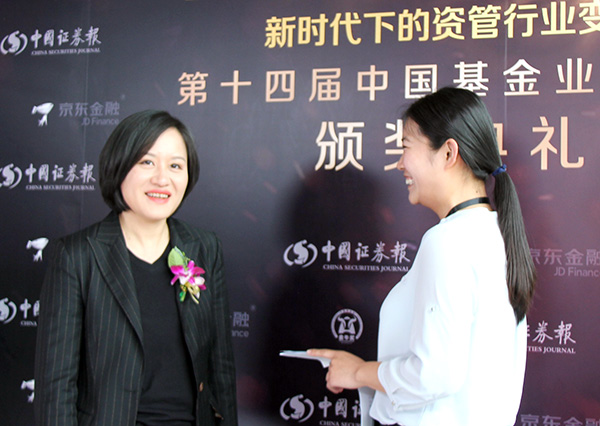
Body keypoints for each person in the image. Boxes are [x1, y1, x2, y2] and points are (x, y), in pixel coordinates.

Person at [309, 87, 536, 425]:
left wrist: (358, 372)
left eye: (405, 147)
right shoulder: (494, 232)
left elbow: (433, 375)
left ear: (448, 153)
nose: (400, 163)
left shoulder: (448, 240)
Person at [34, 110, 238, 426]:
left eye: (175, 165)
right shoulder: (77, 256)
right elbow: (55, 389)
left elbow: (220, 368)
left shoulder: (204, 248)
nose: (162, 178)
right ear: (119, 166)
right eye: (147, 162)